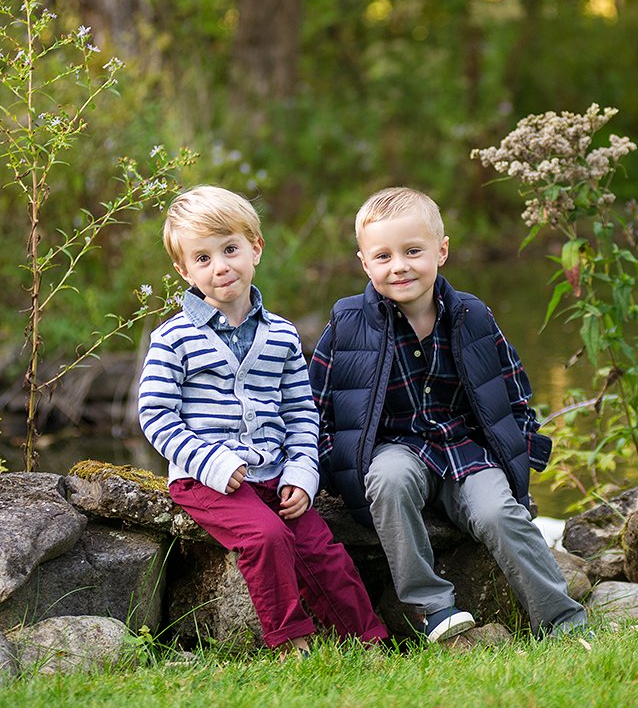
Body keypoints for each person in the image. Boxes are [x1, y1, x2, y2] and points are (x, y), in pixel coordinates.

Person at [308, 186, 590, 644]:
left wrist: (522, 448)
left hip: (465, 449)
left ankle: (560, 619)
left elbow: (512, 390)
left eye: (412, 251)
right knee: (390, 480)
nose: (398, 266)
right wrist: (330, 467)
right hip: (394, 449)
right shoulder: (348, 323)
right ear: (364, 263)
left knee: (500, 511)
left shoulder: (473, 316)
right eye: (383, 256)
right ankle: (433, 607)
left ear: (441, 251)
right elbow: (315, 405)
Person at [138, 185, 388, 657]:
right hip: (205, 480)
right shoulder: (173, 338)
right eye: (204, 258)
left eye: (230, 249)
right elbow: (155, 415)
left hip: (274, 472)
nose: (221, 267)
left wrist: (300, 472)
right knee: (267, 537)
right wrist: (210, 462)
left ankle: (366, 637)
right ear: (184, 270)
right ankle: (290, 638)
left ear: (255, 247)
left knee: (322, 550)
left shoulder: (281, 335)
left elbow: (299, 411)